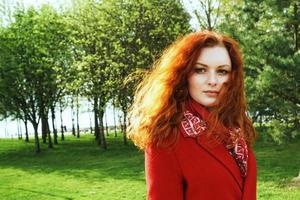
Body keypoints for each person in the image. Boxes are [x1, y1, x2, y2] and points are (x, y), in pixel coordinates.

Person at [127, 31, 257, 200]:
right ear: (183, 74)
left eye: (222, 71)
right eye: (200, 70)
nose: (212, 80)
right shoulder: (166, 136)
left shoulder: (236, 129)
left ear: (233, 77)